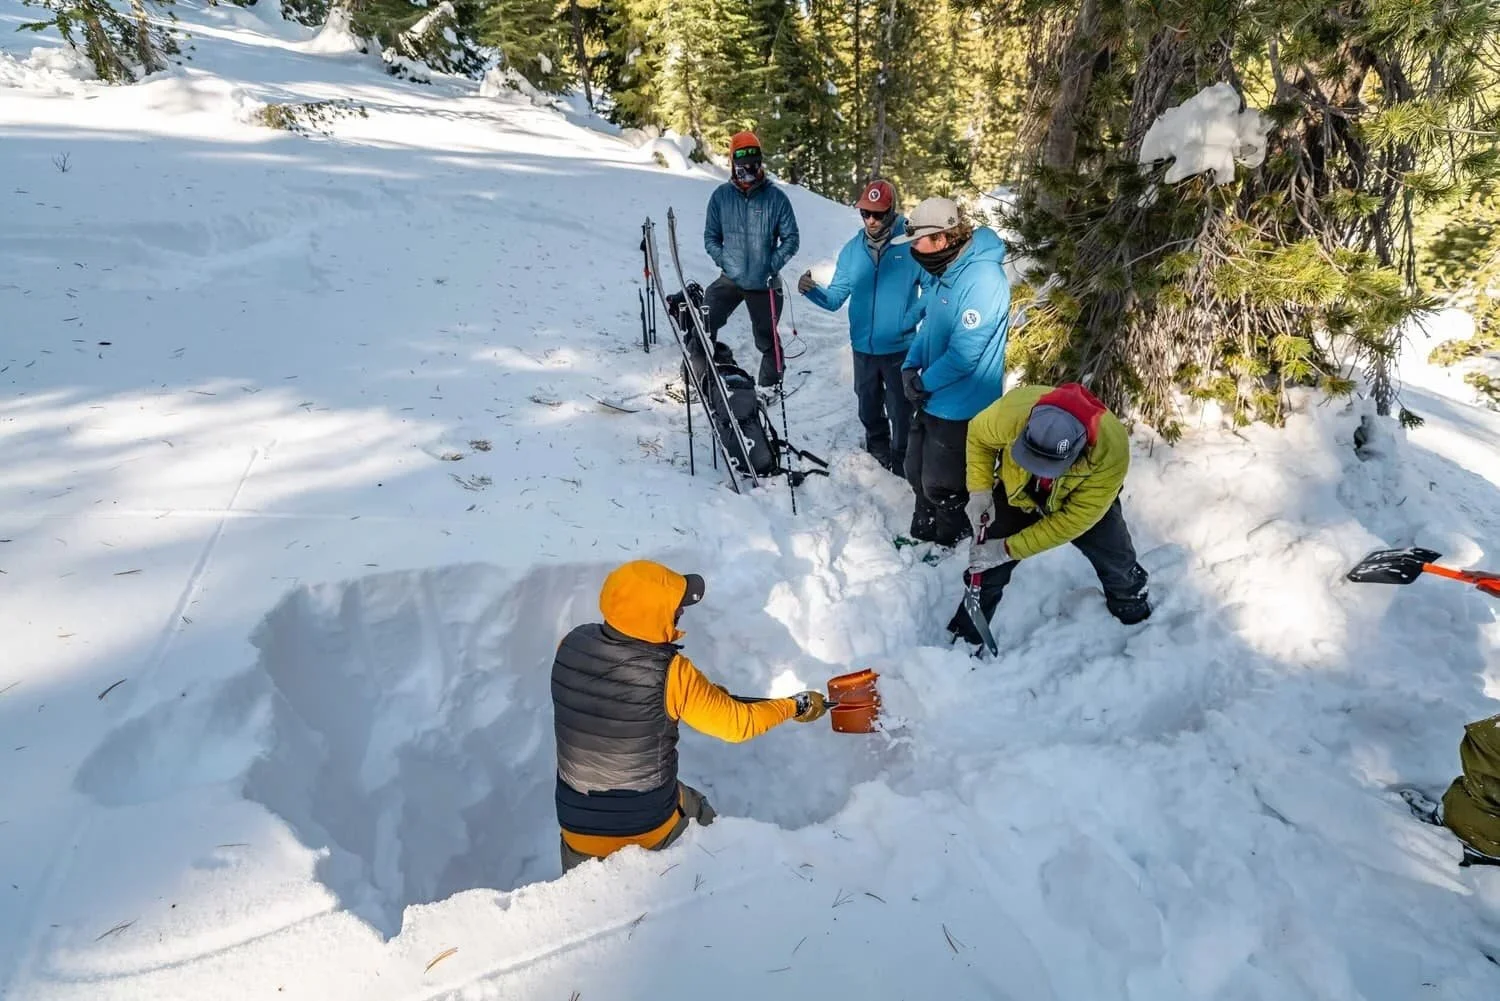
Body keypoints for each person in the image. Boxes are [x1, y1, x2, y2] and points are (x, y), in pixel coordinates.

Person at [552, 560, 828, 872]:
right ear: (651, 615)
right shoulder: (672, 673)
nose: (680, 613)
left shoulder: (569, 644)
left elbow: (617, 694)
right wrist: (797, 705)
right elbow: (738, 725)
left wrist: (701, 696)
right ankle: (715, 871)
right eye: (675, 608)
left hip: (576, 824)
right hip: (644, 826)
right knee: (700, 812)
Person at [949, 382, 1151, 646]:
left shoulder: (1110, 450)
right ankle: (968, 637)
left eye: (1047, 466)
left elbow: (1070, 522)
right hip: (1018, 490)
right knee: (985, 565)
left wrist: (1008, 549)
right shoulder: (1013, 412)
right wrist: (979, 491)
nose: (1040, 470)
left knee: (1117, 559)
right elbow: (979, 435)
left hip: (1077, 498)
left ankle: (1131, 608)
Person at [894, 197, 1011, 545]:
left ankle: (950, 540)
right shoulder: (947, 271)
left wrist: (923, 382)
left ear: (942, 239)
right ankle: (924, 528)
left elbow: (964, 355)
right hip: (931, 397)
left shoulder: (984, 280)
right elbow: (930, 327)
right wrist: (909, 366)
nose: (914, 249)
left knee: (944, 485)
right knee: (914, 469)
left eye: (919, 241)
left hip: (962, 406)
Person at [797, 179, 928, 473]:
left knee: (901, 410)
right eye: (865, 213)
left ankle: (901, 459)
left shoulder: (911, 246)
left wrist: (908, 321)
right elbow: (834, 299)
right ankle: (877, 447)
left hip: (899, 349)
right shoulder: (852, 251)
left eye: (878, 214)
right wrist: (811, 290)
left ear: (891, 211)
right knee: (868, 406)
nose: (871, 220)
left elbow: (932, 289)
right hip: (863, 348)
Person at [703, 131, 801, 388]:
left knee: (766, 339)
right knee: (704, 322)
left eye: (753, 160)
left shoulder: (776, 198)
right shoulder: (720, 197)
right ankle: (699, 378)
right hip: (731, 278)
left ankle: (770, 386)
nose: (748, 167)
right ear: (732, 162)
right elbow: (711, 238)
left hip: (763, 283)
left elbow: (791, 239)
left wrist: (771, 264)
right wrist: (725, 260)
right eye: (741, 161)